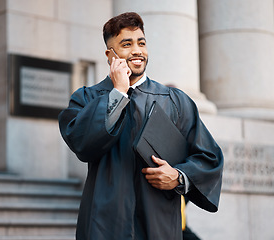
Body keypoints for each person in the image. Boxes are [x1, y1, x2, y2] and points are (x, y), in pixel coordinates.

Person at [58, 12, 223, 240]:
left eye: (141, 43)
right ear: (110, 54)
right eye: (127, 44)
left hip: (159, 223)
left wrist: (178, 176)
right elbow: (82, 143)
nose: (137, 51)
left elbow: (209, 157)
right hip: (105, 225)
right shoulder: (87, 98)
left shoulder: (175, 101)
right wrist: (118, 92)